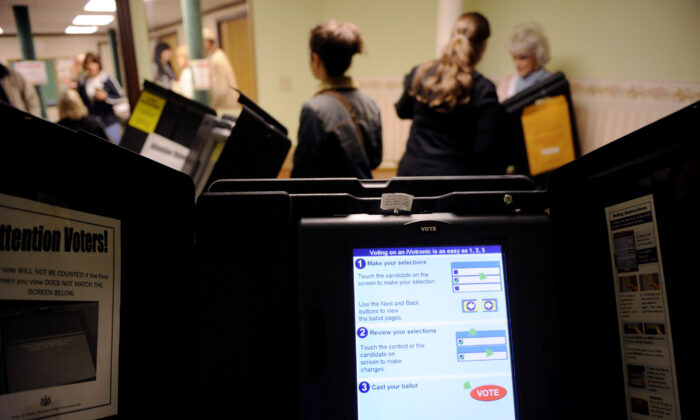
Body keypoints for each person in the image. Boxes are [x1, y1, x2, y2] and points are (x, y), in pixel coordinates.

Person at [395, 12, 508, 176]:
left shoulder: (421, 73)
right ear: (484, 45)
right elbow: (486, 150)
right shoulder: (483, 88)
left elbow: (402, 111)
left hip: (411, 177)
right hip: (455, 185)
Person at [291, 20, 382, 179]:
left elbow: (302, 173)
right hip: (364, 197)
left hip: (329, 201)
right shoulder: (370, 103)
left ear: (315, 58)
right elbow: (375, 160)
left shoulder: (313, 109)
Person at [77, 52, 127, 144]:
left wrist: (106, 97)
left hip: (109, 121)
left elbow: (121, 97)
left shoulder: (108, 80)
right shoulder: (82, 82)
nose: (90, 66)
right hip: (92, 123)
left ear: (98, 64)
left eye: (93, 63)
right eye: (88, 63)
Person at [497, 23, 551, 102]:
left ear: (536, 56)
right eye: (514, 57)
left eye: (522, 57)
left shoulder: (550, 82)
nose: (516, 64)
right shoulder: (509, 83)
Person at [202, 28, 238, 110]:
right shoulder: (215, 56)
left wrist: (212, 105)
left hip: (224, 104)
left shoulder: (216, 58)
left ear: (207, 42)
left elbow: (220, 90)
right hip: (224, 103)